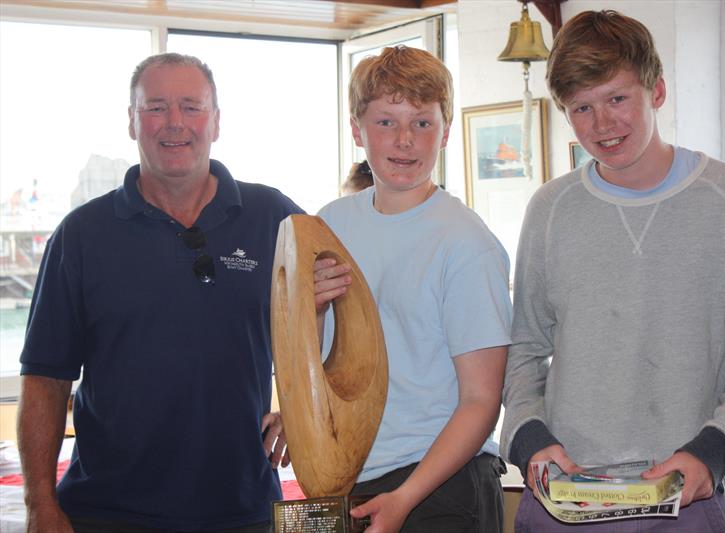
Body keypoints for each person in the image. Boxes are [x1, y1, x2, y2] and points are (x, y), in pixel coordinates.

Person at [500, 10, 725, 532]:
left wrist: (713, 452)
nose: (602, 124)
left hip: (689, 499)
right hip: (564, 501)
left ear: (657, 90)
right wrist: (529, 439)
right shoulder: (550, 208)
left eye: (617, 99)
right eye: (581, 108)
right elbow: (523, 351)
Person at [16, 53, 301, 532]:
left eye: (191, 107)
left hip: (244, 510)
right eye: (155, 107)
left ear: (216, 120)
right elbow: (45, 379)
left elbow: (342, 312)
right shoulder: (82, 235)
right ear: (131, 121)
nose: (175, 124)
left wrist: (301, 409)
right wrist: (39, 504)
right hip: (105, 512)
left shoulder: (274, 216)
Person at [312, 45, 512, 532]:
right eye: (386, 122)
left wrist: (405, 497)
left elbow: (482, 400)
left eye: (422, 123)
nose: (405, 140)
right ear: (357, 130)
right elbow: (322, 361)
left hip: (439, 482)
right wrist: (313, 311)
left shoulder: (465, 241)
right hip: (348, 475)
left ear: (444, 133)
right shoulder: (329, 225)